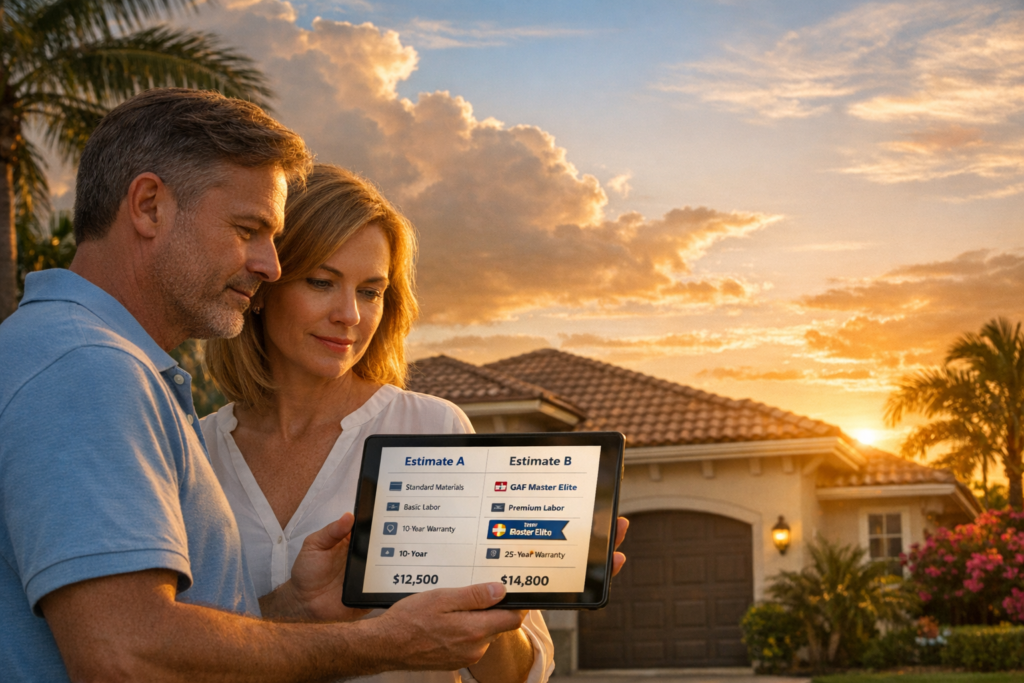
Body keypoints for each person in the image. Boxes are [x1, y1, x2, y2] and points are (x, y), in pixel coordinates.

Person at [0, 89, 532, 682]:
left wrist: (297, 610)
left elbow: (179, 636)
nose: (268, 264)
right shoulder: (88, 369)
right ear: (148, 206)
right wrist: (383, 642)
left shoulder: (105, 372)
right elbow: (126, 653)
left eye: (371, 291)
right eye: (249, 229)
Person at [202, 164, 556, 683]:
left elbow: (523, 675)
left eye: (370, 291)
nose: (349, 314)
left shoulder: (431, 430)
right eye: (322, 282)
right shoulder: (193, 449)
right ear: (262, 286)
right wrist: (292, 610)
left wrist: (490, 595)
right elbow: (169, 650)